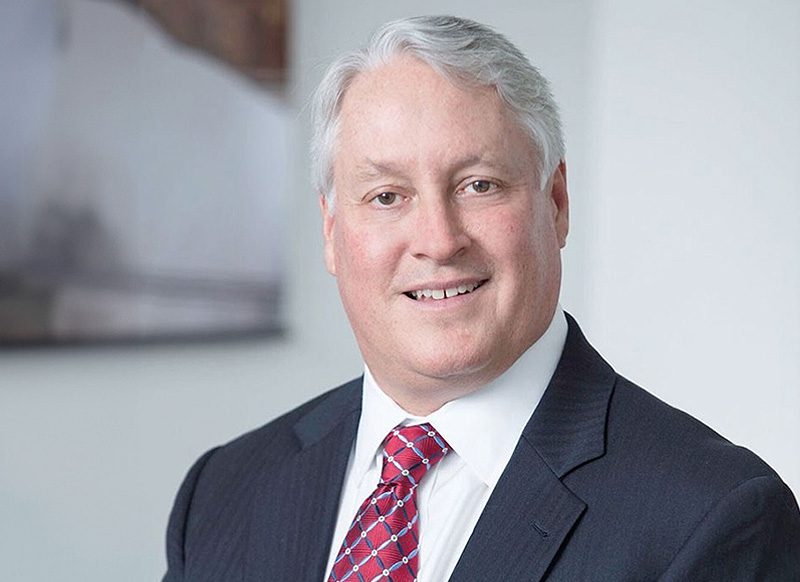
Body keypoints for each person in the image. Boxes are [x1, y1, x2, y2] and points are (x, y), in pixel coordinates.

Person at [162, 15, 800, 581]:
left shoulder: (711, 516)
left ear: (556, 203)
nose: (438, 241)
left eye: (479, 185)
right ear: (331, 232)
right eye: (387, 196)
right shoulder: (222, 493)